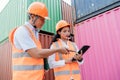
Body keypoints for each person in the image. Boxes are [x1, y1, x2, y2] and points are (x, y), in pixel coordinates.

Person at [9, 2, 69, 80]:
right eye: (42, 19)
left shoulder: (34, 33)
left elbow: (36, 54)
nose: (44, 22)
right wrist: (58, 50)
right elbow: (36, 53)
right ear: (33, 17)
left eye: (44, 20)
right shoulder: (22, 31)